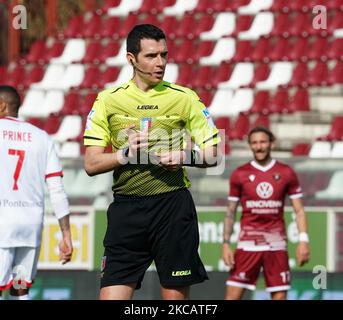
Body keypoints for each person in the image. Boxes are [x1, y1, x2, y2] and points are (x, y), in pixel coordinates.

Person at [83, 24, 221, 300]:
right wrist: (124, 155)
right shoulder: (109, 101)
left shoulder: (185, 98)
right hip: (126, 211)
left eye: (164, 55)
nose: (160, 63)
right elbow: (91, 164)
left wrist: (185, 156)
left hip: (172, 207)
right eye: (151, 56)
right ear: (131, 59)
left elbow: (215, 153)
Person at [0, 85, 73, 300]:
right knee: (20, 287)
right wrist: (66, 235)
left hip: (2, 224)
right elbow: (57, 190)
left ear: (2, 105)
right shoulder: (42, 137)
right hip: (30, 227)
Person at [222, 126, 310, 300]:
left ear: (272, 144)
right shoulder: (240, 174)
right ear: (250, 146)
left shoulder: (286, 172)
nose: (259, 146)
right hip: (248, 244)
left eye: (263, 142)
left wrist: (303, 240)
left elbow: (299, 210)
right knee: (232, 296)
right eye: (254, 143)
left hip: (276, 245)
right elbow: (230, 212)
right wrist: (225, 243)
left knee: (279, 295)